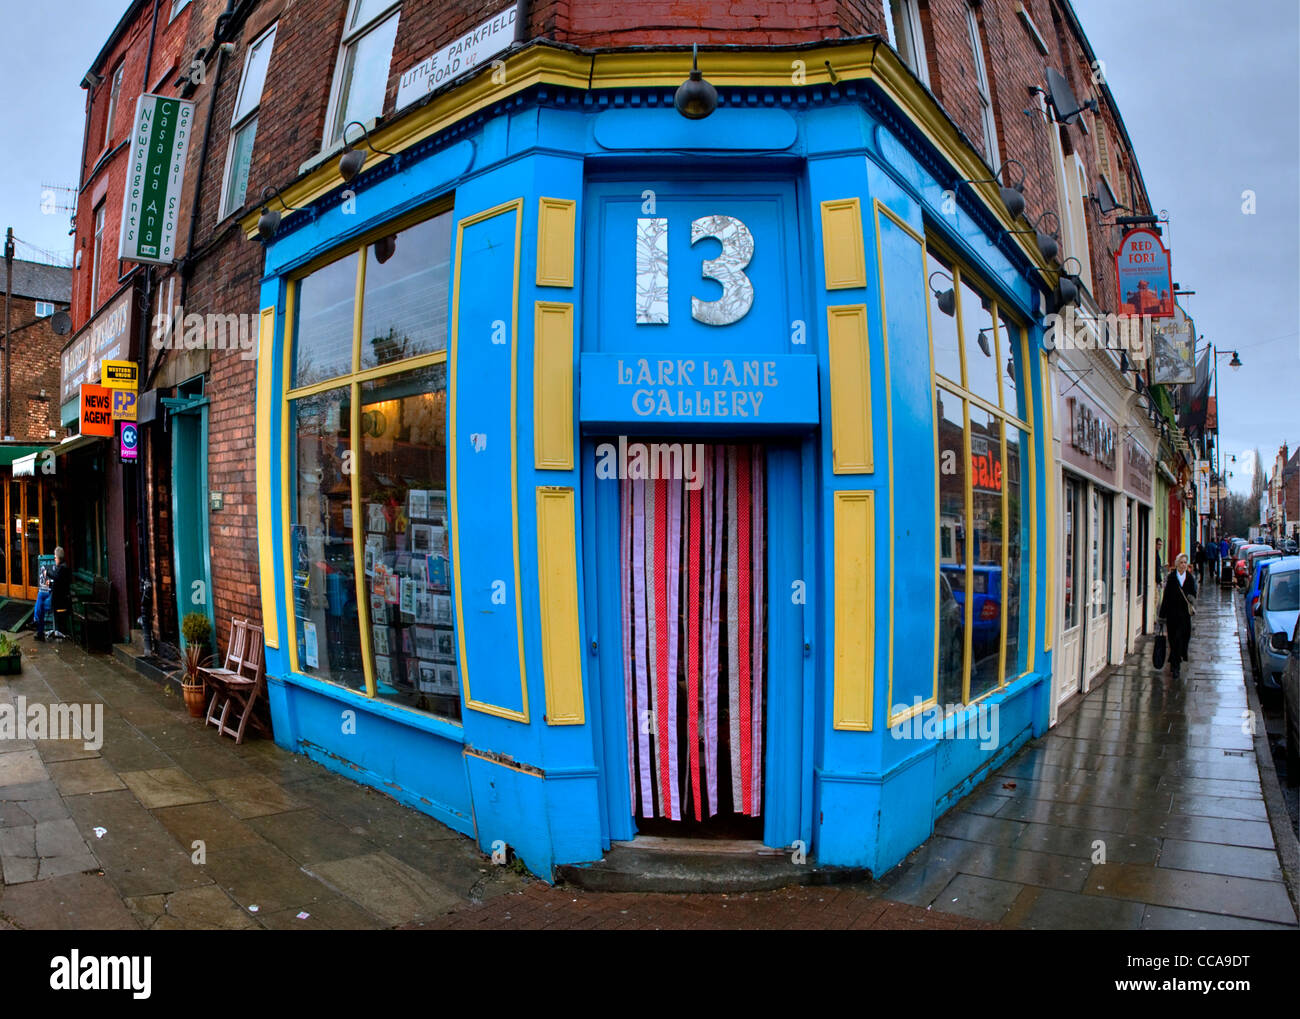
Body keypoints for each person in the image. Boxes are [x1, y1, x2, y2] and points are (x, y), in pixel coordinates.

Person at [1158, 552, 1197, 679]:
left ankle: (1177, 659)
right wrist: (1162, 615)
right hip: (1172, 615)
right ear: (1177, 564)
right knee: (1174, 640)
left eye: (1185, 562)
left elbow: (1193, 594)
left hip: (1185, 615)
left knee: (1183, 639)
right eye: (1181, 562)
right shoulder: (1172, 578)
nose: (1183, 565)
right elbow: (1166, 597)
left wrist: (1192, 598)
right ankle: (1176, 666)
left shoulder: (1190, 578)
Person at [33, 547, 71, 642]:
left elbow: (57, 577)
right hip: (55, 593)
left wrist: (48, 573)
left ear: (59, 558)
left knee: (41, 606)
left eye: (55, 558)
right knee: (41, 595)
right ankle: (36, 620)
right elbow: (57, 581)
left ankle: (39, 628)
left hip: (59, 599)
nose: (54, 559)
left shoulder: (63, 568)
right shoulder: (60, 567)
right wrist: (50, 582)